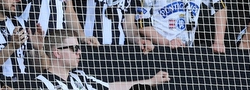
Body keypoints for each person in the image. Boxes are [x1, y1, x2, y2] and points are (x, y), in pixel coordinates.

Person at [34, 29, 170, 90]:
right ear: (57, 53)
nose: (79, 52)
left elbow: (112, 87)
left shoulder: (80, 78)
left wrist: (151, 81)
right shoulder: (40, 83)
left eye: (79, 48)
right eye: (74, 48)